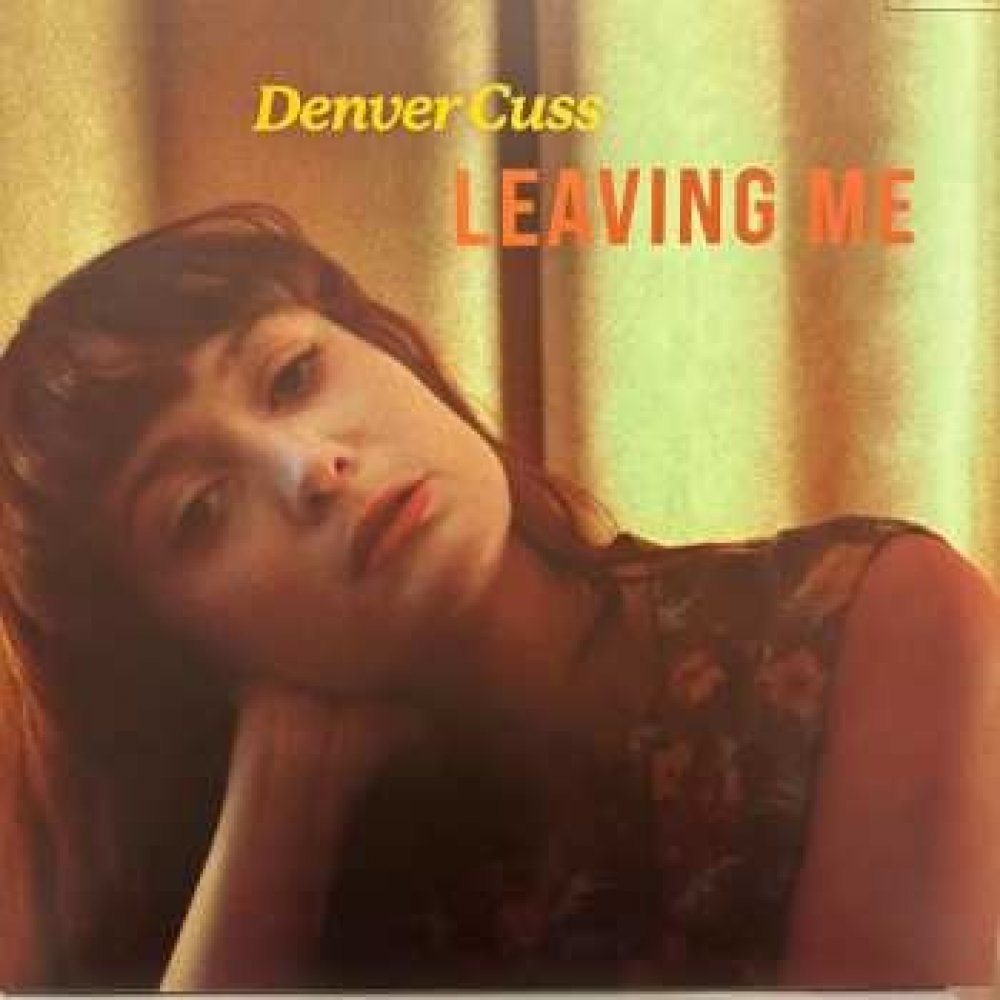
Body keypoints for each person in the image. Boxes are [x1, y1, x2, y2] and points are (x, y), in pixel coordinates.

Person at [0, 204, 998, 991]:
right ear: (176, 652)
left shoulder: (869, 619)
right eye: (200, 510)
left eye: (294, 374)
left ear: (384, 347)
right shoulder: (263, 883)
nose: (310, 467)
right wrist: (276, 817)